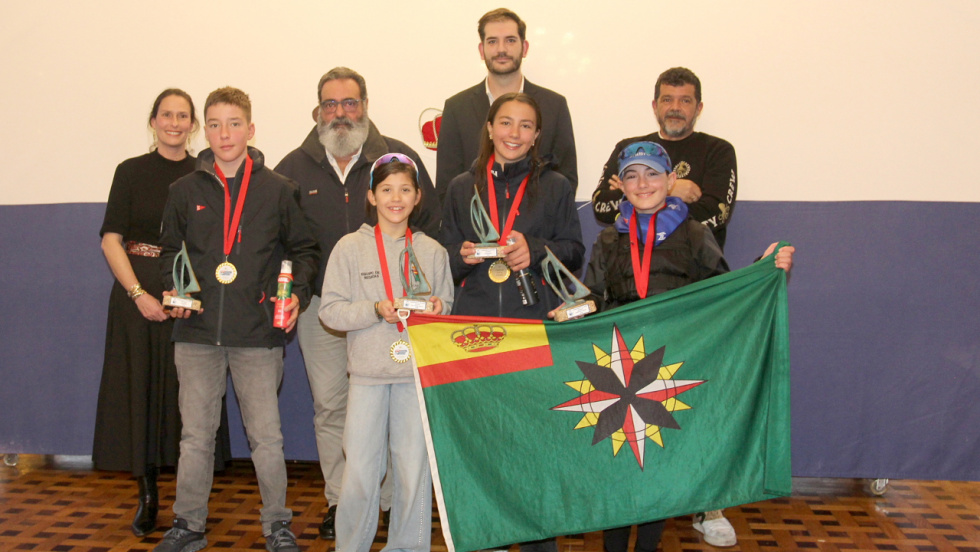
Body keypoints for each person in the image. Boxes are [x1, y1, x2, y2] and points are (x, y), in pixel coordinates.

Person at [558, 141, 794, 552]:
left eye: (651, 173)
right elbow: (593, 297)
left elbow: (721, 294)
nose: (642, 183)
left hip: (671, 372)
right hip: (619, 373)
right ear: (622, 186)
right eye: (631, 175)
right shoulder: (609, 240)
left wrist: (761, 269)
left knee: (659, 468)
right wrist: (571, 311)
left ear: (670, 181)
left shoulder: (695, 234)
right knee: (619, 468)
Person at [274, 66, 439, 540]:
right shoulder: (293, 167)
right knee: (331, 407)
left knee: (394, 412)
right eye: (331, 104)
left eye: (350, 103)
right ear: (317, 111)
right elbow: (285, 240)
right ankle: (339, 499)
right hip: (326, 310)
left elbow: (427, 226)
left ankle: (385, 503)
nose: (340, 113)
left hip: (397, 315)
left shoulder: (398, 156)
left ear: (364, 105)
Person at [155, 87, 319, 552]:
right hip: (197, 333)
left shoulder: (279, 189)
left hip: (258, 334)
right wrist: (176, 287)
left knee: (267, 438)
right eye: (213, 124)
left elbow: (305, 251)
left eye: (233, 123)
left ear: (251, 129)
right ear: (202, 130)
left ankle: (277, 525)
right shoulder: (183, 190)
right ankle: (188, 524)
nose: (223, 134)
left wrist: (294, 298)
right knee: (195, 438)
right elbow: (170, 251)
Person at [440, 92, 584, 552]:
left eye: (525, 126)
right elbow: (442, 257)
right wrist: (460, 259)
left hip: (532, 326)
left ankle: (540, 539)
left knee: (534, 442)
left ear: (537, 135)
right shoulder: (463, 187)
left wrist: (537, 250)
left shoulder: (557, 186)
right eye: (505, 123)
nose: (514, 134)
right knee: (483, 443)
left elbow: (575, 251)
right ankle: (489, 537)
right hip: (475, 330)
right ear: (489, 127)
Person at [93, 88, 232, 538]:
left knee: (191, 402)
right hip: (139, 296)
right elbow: (111, 239)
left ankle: (191, 504)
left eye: (183, 117)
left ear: (194, 125)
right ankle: (148, 495)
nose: (174, 123)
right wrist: (139, 293)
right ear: (153, 121)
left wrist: (190, 296)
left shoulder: (206, 171)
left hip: (194, 300)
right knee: (142, 394)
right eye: (166, 115)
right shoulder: (130, 172)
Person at [320, 154, 453, 552]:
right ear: (371, 197)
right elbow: (330, 311)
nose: (396, 198)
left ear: (417, 198)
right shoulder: (348, 248)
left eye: (405, 190)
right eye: (387, 189)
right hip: (367, 376)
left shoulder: (432, 251)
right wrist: (375, 308)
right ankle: (351, 547)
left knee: (414, 471)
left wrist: (437, 309)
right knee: (361, 471)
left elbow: (446, 304)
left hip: (415, 377)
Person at [436, 8, 577, 206]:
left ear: (525, 47)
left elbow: (567, 181)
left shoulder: (554, 106)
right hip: (476, 232)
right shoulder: (457, 108)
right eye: (492, 41)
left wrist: (531, 233)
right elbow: (447, 186)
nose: (501, 49)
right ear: (481, 50)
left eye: (510, 40)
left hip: (535, 233)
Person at [592, 67, 737, 251]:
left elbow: (716, 213)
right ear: (655, 106)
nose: (675, 108)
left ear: (698, 108)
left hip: (695, 268)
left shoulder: (718, 151)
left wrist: (634, 194)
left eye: (685, 100)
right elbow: (601, 206)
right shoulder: (628, 149)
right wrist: (670, 191)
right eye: (667, 100)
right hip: (631, 266)